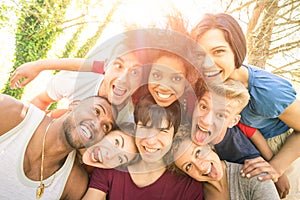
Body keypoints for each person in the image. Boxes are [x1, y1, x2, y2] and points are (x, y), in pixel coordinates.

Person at [190, 13, 300, 198]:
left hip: (278, 148)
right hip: (240, 147)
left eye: (218, 51)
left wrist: (276, 167)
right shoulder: (211, 82)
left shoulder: (268, 92)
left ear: (236, 51)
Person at [82, 94, 204, 200]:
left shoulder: (188, 188)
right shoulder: (111, 167)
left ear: (174, 136)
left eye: (163, 131)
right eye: (145, 127)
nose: (151, 140)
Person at [0, 93, 117, 199]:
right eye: (96, 111)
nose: (96, 125)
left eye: (105, 127)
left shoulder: (74, 185)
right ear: (75, 105)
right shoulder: (11, 112)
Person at [171, 124, 280, 200]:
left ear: (209, 145)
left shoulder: (254, 176)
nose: (201, 167)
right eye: (188, 166)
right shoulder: (196, 195)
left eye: (198, 152)